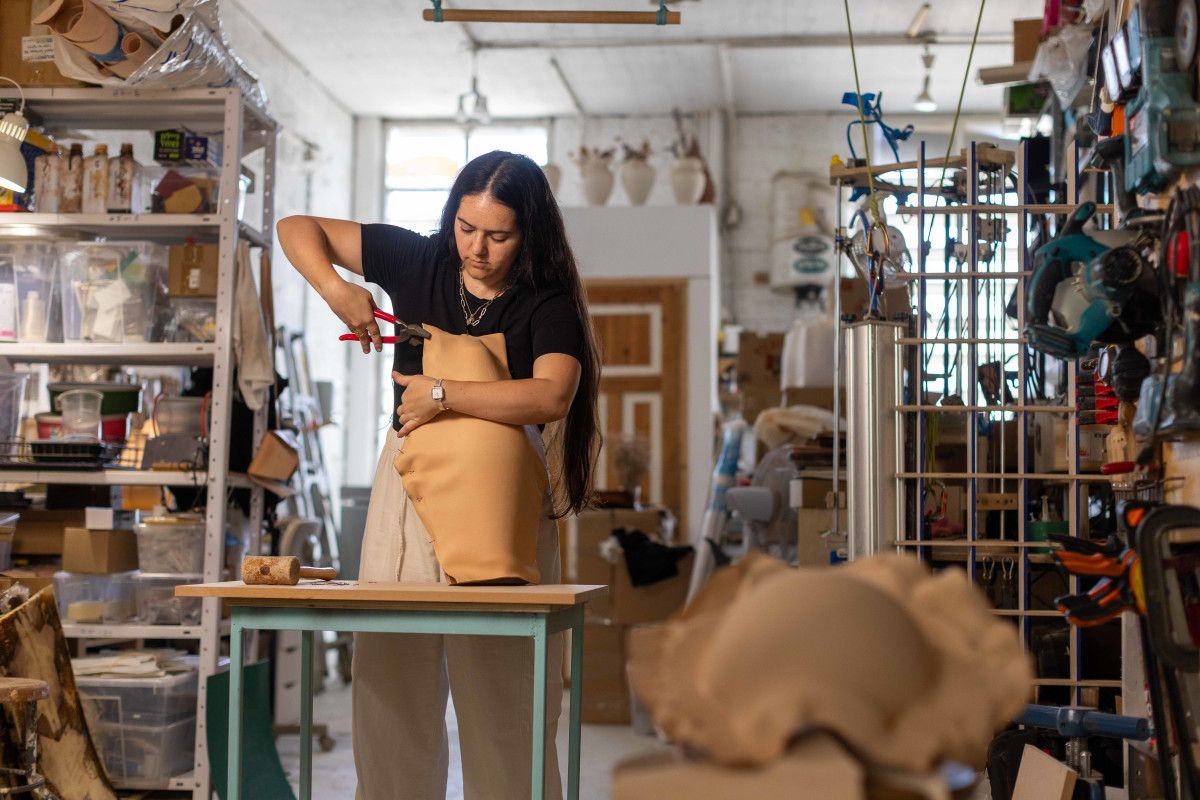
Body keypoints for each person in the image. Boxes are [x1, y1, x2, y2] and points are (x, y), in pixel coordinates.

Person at [276, 150, 601, 800]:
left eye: (498, 235)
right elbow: (295, 228)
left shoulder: (545, 301)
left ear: (528, 233)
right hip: (409, 490)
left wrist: (444, 394)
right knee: (392, 684)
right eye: (466, 227)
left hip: (501, 502)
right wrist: (340, 290)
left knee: (507, 698)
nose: (477, 248)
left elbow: (550, 397)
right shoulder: (418, 259)